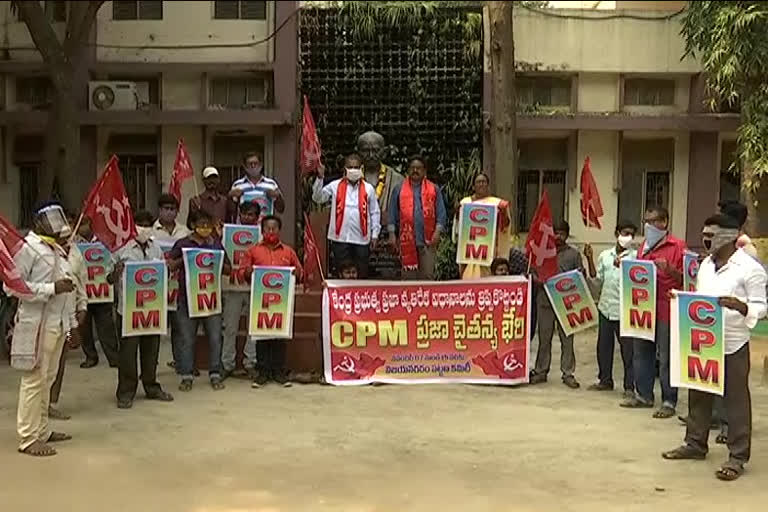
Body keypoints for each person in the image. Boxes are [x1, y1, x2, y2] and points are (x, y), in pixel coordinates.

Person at [662, 214, 767, 481]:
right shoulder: (706, 265)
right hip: (702, 338)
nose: (706, 239)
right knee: (698, 392)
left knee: (735, 400)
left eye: (713, 234)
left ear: (731, 236)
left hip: (732, 342)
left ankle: (737, 456)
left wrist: (740, 306)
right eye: (705, 234)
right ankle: (695, 443)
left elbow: (761, 306)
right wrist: (681, 298)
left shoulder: (749, 268)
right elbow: (701, 297)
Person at [8, 201, 79, 456]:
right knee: (33, 380)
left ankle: (42, 431)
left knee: (47, 379)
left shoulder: (58, 249)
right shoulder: (29, 249)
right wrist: (50, 289)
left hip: (57, 325)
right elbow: (12, 286)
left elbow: (68, 291)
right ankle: (28, 438)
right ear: (38, 221)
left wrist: (72, 327)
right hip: (35, 324)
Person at [620, 206, 686, 418]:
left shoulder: (678, 247)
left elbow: (688, 281)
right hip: (643, 308)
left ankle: (669, 400)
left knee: (666, 356)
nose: (648, 225)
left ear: (665, 222)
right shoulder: (643, 248)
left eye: (654, 221)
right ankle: (644, 395)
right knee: (641, 352)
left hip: (667, 308)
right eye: (646, 221)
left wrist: (670, 270)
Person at [108, 210, 174, 409]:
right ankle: (126, 392)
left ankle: (151, 386)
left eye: (147, 224)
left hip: (152, 309)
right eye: (140, 223)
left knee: (151, 350)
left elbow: (163, 274)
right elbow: (108, 278)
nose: (143, 228)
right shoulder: (121, 248)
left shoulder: (156, 248)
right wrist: (116, 271)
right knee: (128, 352)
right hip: (128, 310)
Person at [168, 209, 230, 392]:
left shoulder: (216, 244)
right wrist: (187, 258)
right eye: (201, 224)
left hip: (210, 300)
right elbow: (170, 265)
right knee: (187, 339)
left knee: (215, 338)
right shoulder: (182, 243)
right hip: (186, 299)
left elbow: (228, 269)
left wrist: (214, 258)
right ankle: (186, 375)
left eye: (207, 224)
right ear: (192, 225)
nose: (204, 228)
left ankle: (215, 373)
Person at [237, 215, 302, 388]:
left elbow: (300, 271)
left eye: (274, 228)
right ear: (262, 230)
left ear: (279, 230)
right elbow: (242, 272)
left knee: (280, 337)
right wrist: (248, 272)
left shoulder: (288, 251)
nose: (271, 232)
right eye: (267, 229)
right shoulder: (253, 251)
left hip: (282, 302)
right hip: (261, 301)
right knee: (262, 336)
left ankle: (279, 372)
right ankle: (263, 372)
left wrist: (296, 274)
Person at [583, 221, 637, 396]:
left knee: (628, 350)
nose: (627, 237)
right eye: (624, 233)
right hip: (605, 307)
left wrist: (626, 269)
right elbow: (597, 280)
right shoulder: (605, 256)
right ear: (616, 233)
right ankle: (605, 380)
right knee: (603, 347)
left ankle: (629, 386)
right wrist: (589, 258)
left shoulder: (636, 257)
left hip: (625, 310)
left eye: (631, 234)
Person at [530, 220, 584, 389]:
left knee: (567, 338)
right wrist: (538, 280)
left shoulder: (574, 254)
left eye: (562, 233)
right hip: (545, 300)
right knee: (544, 338)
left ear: (567, 235)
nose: (558, 236)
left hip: (566, 303)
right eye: (556, 232)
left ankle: (568, 373)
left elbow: (580, 274)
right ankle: (541, 371)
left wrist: (578, 276)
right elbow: (532, 272)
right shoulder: (542, 251)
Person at [312, 153, 381, 278]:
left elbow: (374, 212)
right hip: (340, 238)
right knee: (342, 273)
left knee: (361, 273)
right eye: (350, 167)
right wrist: (320, 178)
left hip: (362, 238)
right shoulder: (335, 185)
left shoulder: (368, 188)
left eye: (356, 167)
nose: (353, 170)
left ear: (361, 169)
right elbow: (317, 198)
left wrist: (375, 234)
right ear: (345, 169)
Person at [48, 218, 88, 421]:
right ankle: (39, 405)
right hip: (46, 318)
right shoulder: (45, 254)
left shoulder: (75, 253)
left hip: (69, 316)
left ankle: (50, 403)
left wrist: (82, 306)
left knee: (59, 362)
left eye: (66, 238)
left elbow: (81, 281)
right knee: (42, 365)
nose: (64, 241)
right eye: (61, 238)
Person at [387, 155, 447, 279]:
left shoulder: (433, 189)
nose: (415, 171)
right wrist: (392, 234)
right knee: (409, 278)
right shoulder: (399, 189)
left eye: (418, 168)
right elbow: (392, 213)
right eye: (412, 168)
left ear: (424, 171)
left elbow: (441, 213)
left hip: (428, 241)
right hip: (407, 241)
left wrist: (437, 232)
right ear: (408, 170)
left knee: (427, 276)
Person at [222, 201, 261, 380]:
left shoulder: (262, 236)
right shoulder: (228, 234)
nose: (247, 217)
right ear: (239, 214)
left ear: (257, 217)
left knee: (253, 327)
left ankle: (249, 362)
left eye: (251, 214)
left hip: (254, 286)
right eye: (244, 214)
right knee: (230, 326)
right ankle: (226, 364)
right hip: (233, 287)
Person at [151, 193, 190, 374]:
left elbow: (189, 255)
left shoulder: (185, 232)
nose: (169, 212)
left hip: (179, 287)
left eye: (172, 209)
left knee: (179, 328)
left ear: (177, 211)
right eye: (165, 209)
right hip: (157, 287)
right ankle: (151, 367)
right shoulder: (150, 232)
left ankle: (181, 364)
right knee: (155, 329)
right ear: (159, 210)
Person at [75, 216, 120, 369]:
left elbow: (112, 262)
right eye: (80, 225)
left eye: (85, 224)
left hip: (102, 292)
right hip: (83, 293)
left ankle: (114, 358)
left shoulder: (104, 242)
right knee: (84, 328)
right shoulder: (73, 244)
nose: (83, 227)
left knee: (106, 327)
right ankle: (90, 357)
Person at [454, 173, 512, 279]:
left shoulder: (497, 203)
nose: (481, 184)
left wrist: (503, 212)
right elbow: (459, 227)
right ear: (473, 187)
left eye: (484, 182)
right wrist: (458, 212)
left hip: (489, 250)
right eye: (478, 182)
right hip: (470, 251)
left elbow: (505, 226)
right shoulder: (465, 203)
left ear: (488, 186)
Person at [229, 151, 285, 220]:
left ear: (261, 164)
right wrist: (230, 197)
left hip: (265, 227)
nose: (253, 166)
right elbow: (231, 211)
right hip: (244, 228)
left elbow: (281, 209)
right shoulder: (237, 184)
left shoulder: (271, 184)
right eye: (250, 164)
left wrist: (278, 197)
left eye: (255, 163)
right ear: (244, 166)